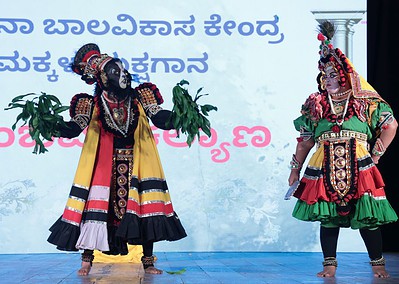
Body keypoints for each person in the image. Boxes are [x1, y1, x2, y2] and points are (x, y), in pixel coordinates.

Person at [46, 43, 187, 275]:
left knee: (142, 208)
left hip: (137, 163)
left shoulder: (141, 96)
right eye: (115, 72)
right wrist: (50, 125)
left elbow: (160, 117)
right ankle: (87, 259)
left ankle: (148, 260)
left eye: (123, 70)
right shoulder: (89, 103)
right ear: (102, 77)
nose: (123, 75)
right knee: (96, 208)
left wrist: (183, 117)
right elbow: (74, 127)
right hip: (104, 165)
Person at [287, 21, 398, 278]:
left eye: (333, 74)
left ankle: (378, 264)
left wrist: (377, 153)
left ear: (345, 76)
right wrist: (295, 169)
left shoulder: (363, 102)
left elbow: (390, 125)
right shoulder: (315, 105)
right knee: (328, 216)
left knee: (368, 213)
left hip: (359, 163)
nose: (328, 78)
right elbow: (304, 140)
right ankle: (329, 265)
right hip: (323, 163)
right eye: (324, 74)